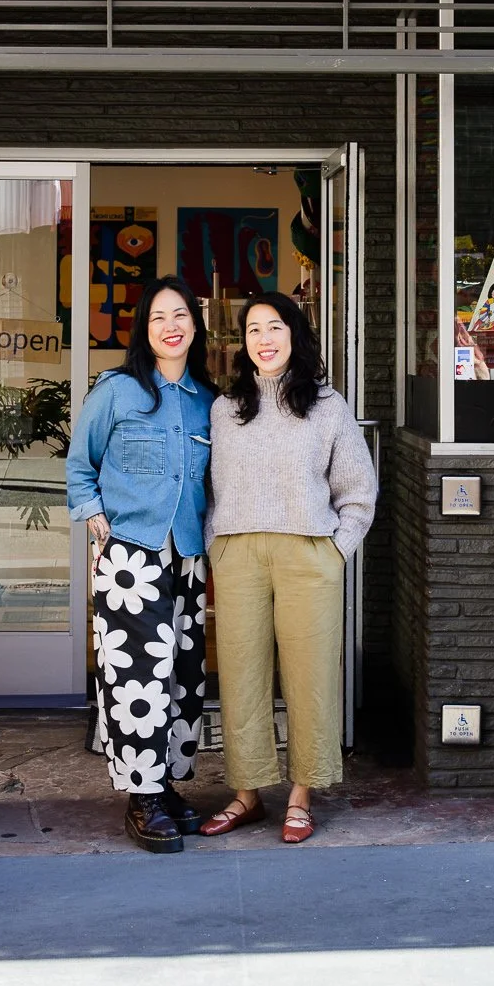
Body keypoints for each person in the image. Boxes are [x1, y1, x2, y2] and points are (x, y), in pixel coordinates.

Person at [198, 291, 377, 844]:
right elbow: (211, 487)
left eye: (274, 327)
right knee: (242, 675)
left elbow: (359, 488)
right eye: (253, 330)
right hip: (238, 555)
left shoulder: (327, 406)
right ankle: (248, 794)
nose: (264, 339)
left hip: (308, 553)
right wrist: (217, 546)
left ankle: (302, 793)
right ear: (242, 342)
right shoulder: (225, 409)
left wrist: (335, 549)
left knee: (311, 677)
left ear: (295, 335)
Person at [65, 275, 217, 854]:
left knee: (181, 677)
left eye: (179, 315)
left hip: (187, 557)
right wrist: (93, 516)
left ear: (195, 324)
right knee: (135, 680)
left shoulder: (209, 401)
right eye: (158, 318)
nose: (170, 326)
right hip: (131, 557)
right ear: (143, 330)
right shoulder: (117, 391)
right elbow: (81, 464)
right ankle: (141, 798)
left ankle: (167, 785)